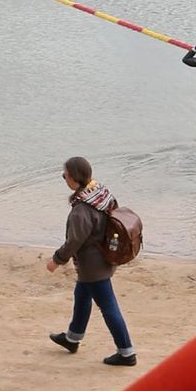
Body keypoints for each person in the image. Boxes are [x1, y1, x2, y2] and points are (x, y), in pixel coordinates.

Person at [45, 156, 137, 366]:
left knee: (108, 307)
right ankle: (72, 338)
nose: (64, 179)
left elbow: (74, 241)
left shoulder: (81, 210)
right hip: (105, 257)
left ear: (74, 178)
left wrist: (56, 260)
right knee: (82, 295)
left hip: (93, 266)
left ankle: (126, 352)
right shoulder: (100, 193)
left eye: (65, 175)